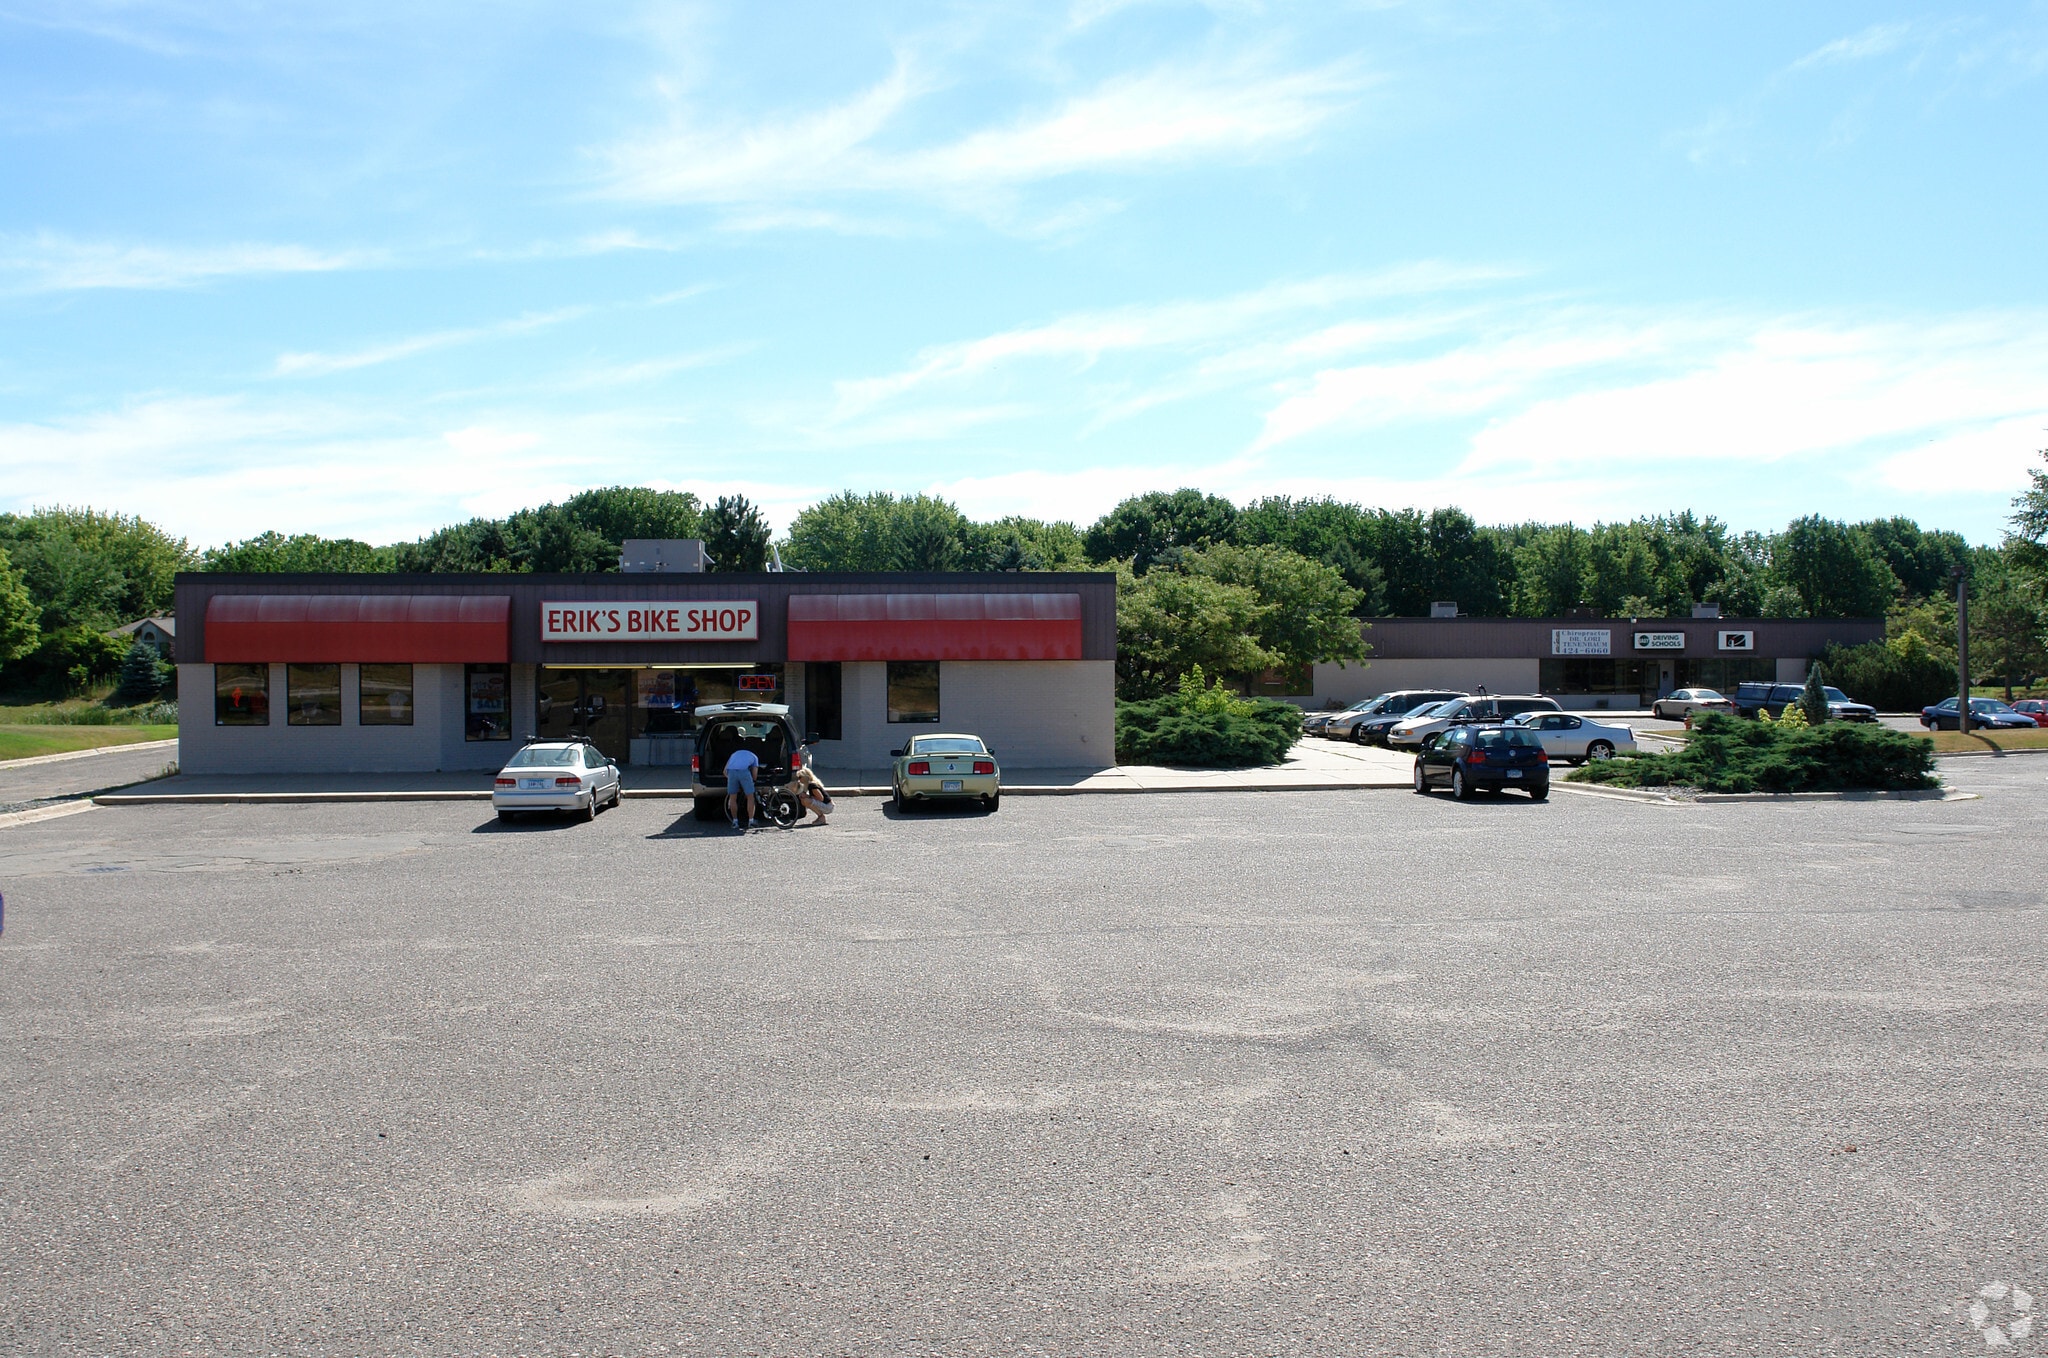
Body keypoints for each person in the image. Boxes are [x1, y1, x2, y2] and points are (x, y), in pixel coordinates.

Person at [787, 758, 833, 826]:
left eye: (800, 777)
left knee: (806, 801)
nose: (799, 780)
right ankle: (820, 817)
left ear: (805, 777)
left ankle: (821, 817)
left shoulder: (812, 785)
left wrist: (808, 796)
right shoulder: (808, 785)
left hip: (828, 806)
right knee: (804, 800)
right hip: (827, 805)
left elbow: (821, 798)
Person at [723, 745, 760, 830]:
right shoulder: (754, 756)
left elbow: (724, 772)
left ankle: (735, 822)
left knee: (733, 798)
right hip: (744, 772)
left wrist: (734, 781)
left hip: (731, 772)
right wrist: (752, 782)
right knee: (750, 797)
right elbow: (755, 774)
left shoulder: (733, 754)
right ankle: (751, 821)